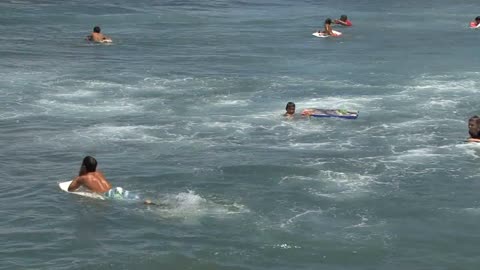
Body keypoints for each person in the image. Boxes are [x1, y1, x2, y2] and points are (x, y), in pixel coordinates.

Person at [68, 156, 147, 201]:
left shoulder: (82, 178)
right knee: (140, 202)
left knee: (136, 205)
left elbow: (70, 189)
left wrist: (81, 173)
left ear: (84, 167)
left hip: (109, 195)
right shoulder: (99, 173)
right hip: (118, 190)